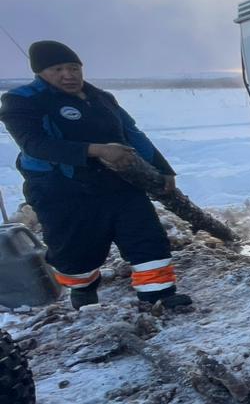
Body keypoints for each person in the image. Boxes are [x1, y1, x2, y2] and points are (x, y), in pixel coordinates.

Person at [0, 41, 192, 310]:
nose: (69, 75)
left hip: (119, 183)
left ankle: (159, 294)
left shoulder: (101, 98)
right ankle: (83, 291)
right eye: (58, 69)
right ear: (40, 72)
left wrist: (163, 168)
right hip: (62, 191)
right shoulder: (21, 101)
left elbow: (132, 133)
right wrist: (97, 150)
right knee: (76, 255)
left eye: (74, 67)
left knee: (147, 238)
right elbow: (34, 144)